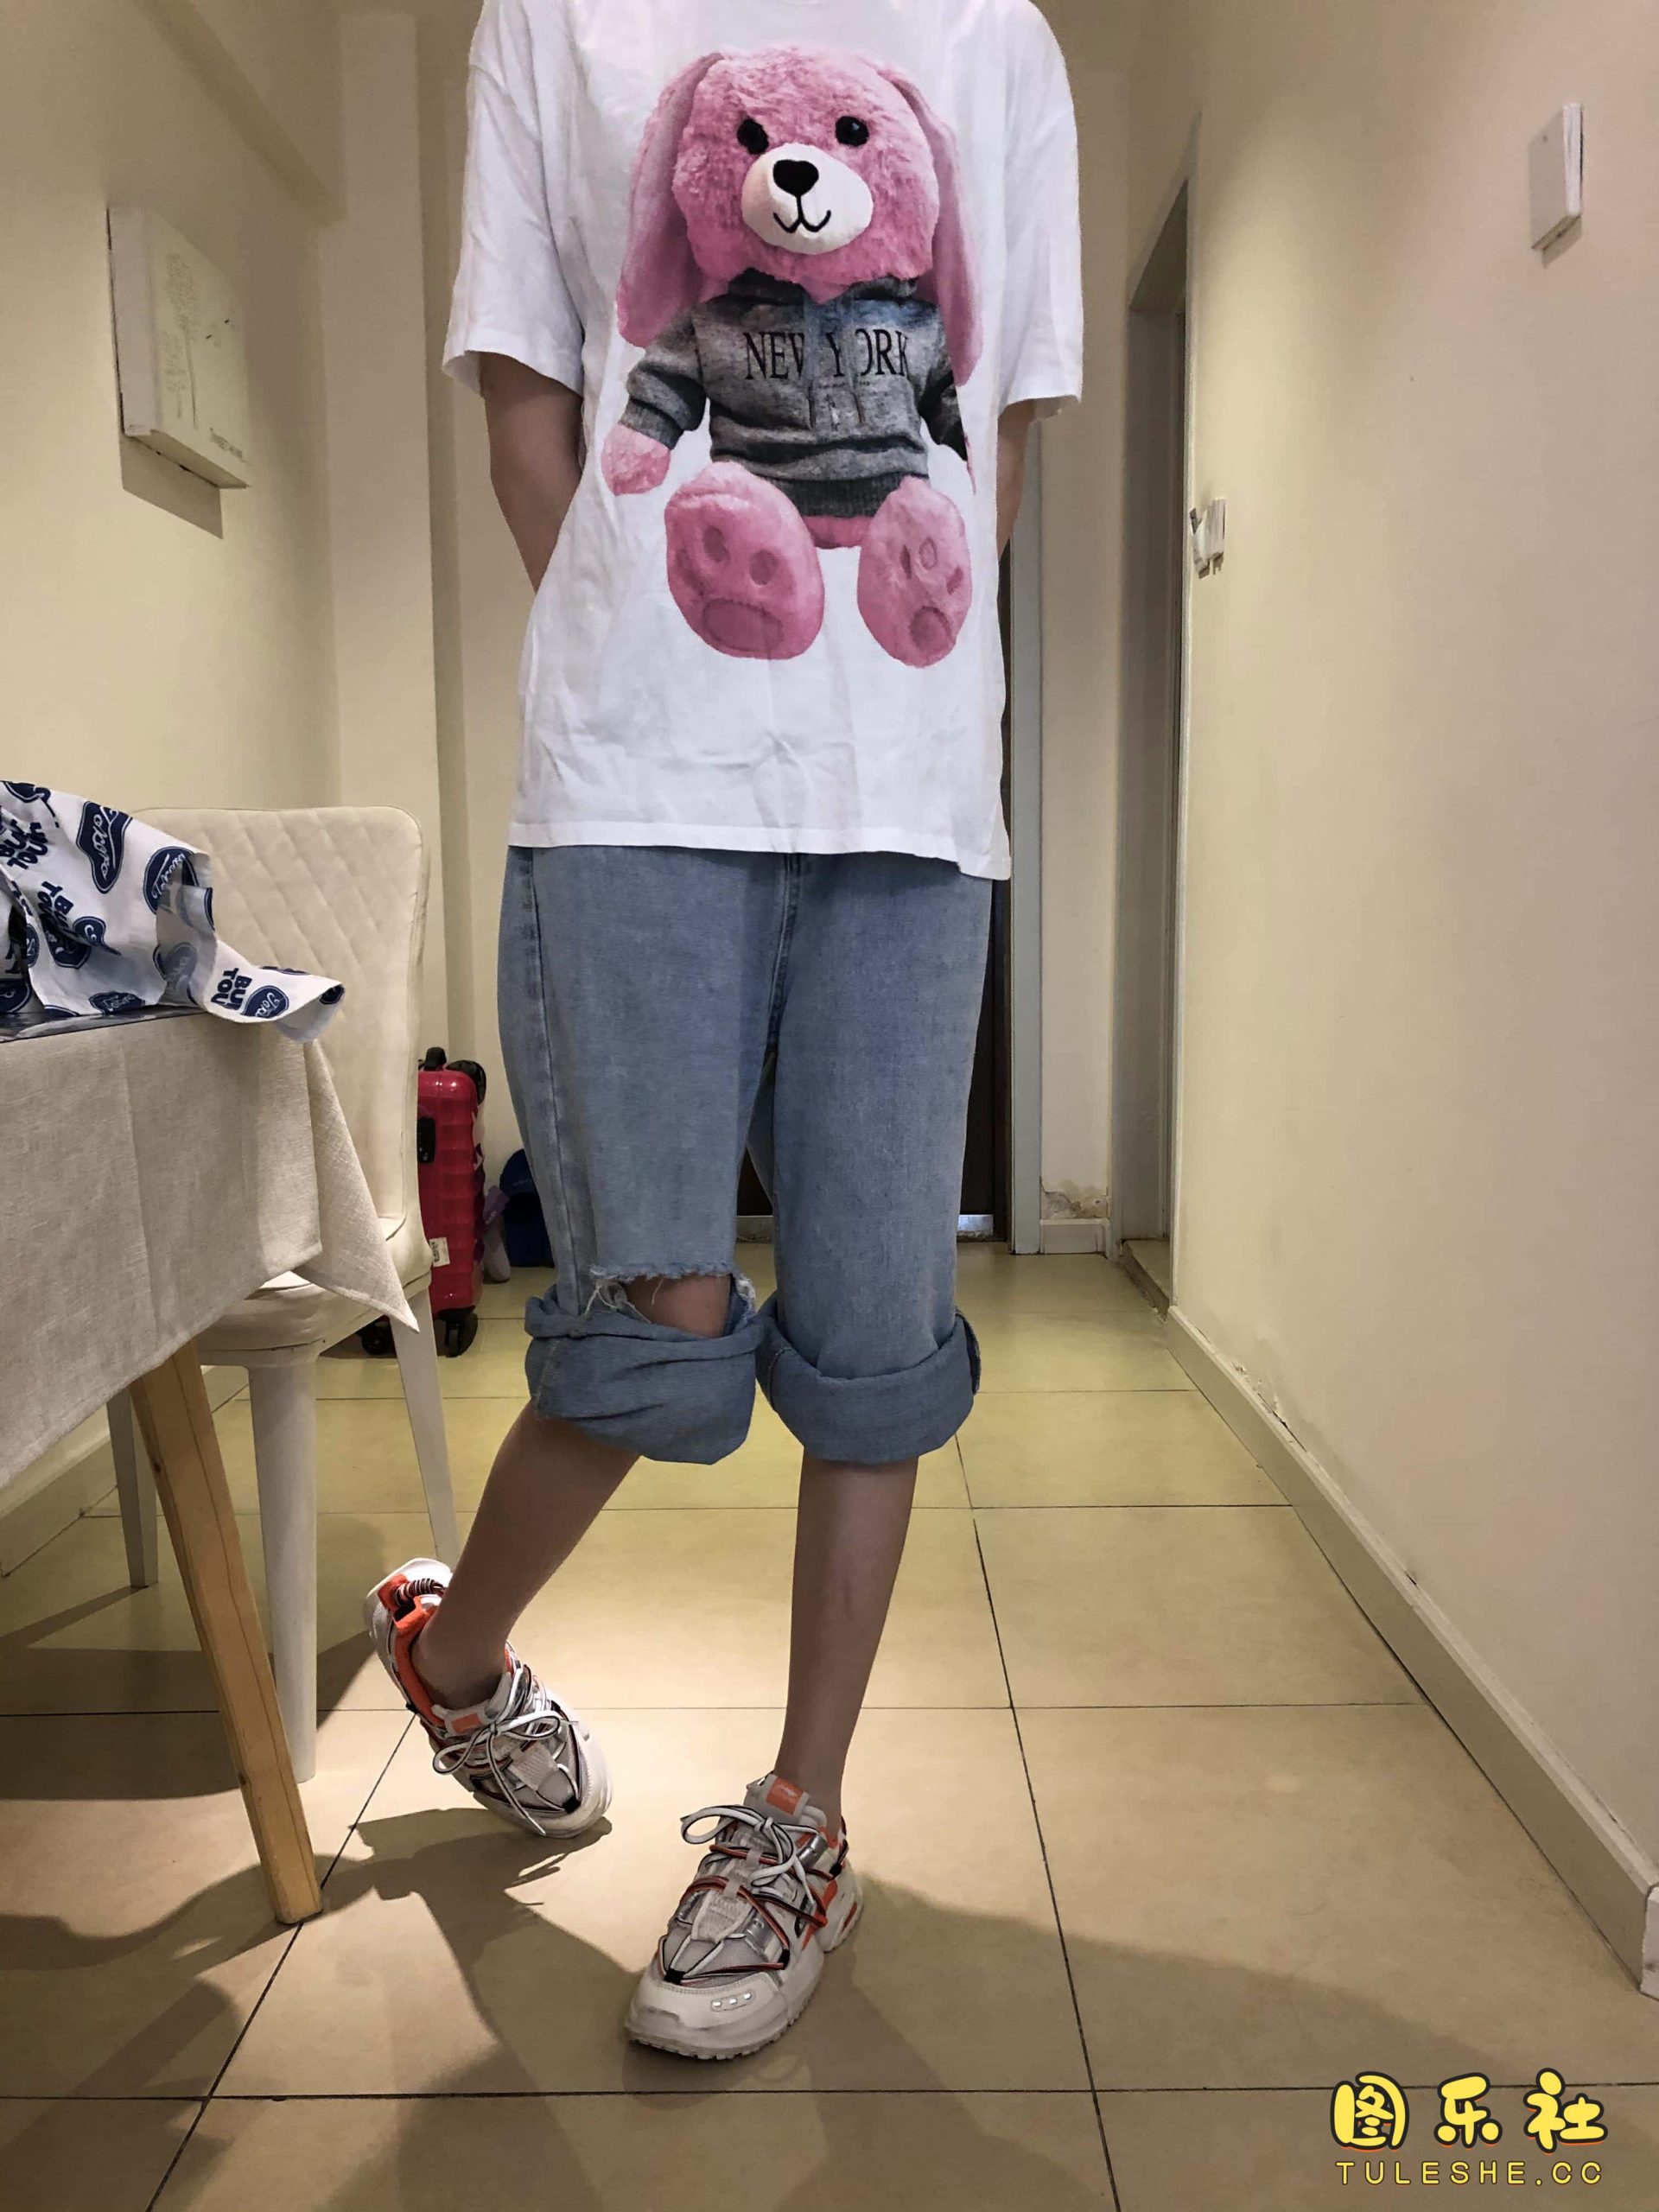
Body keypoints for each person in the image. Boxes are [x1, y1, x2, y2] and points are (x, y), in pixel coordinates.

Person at [365, 0, 1082, 2063]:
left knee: (873, 1344)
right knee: (652, 1327)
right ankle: (458, 1656)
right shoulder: (554, 20)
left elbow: (996, 427)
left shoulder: (997, 39)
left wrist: (878, 650)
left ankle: (798, 1819)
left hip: (909, 800)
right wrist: (664, 659)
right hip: (633, 787)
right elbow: (533, 410)